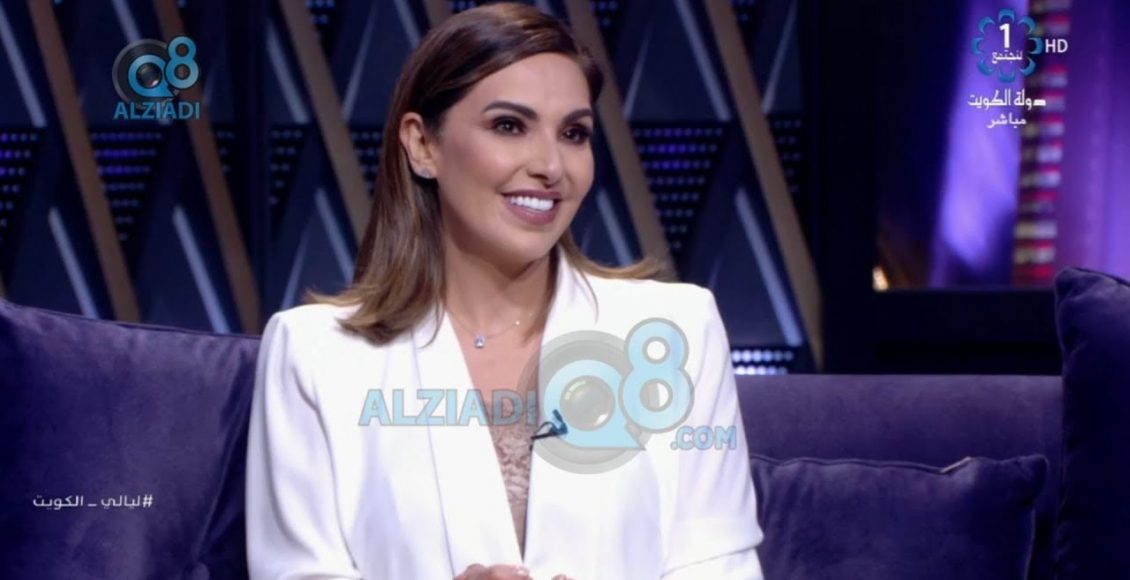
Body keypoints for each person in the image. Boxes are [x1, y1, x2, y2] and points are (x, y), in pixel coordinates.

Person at [245, 3, 764, 579]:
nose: (551, 166)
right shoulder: (315, 352)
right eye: (509, 126)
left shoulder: (674, 332)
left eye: (573, 133)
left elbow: (718, 566)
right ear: (422, 144)